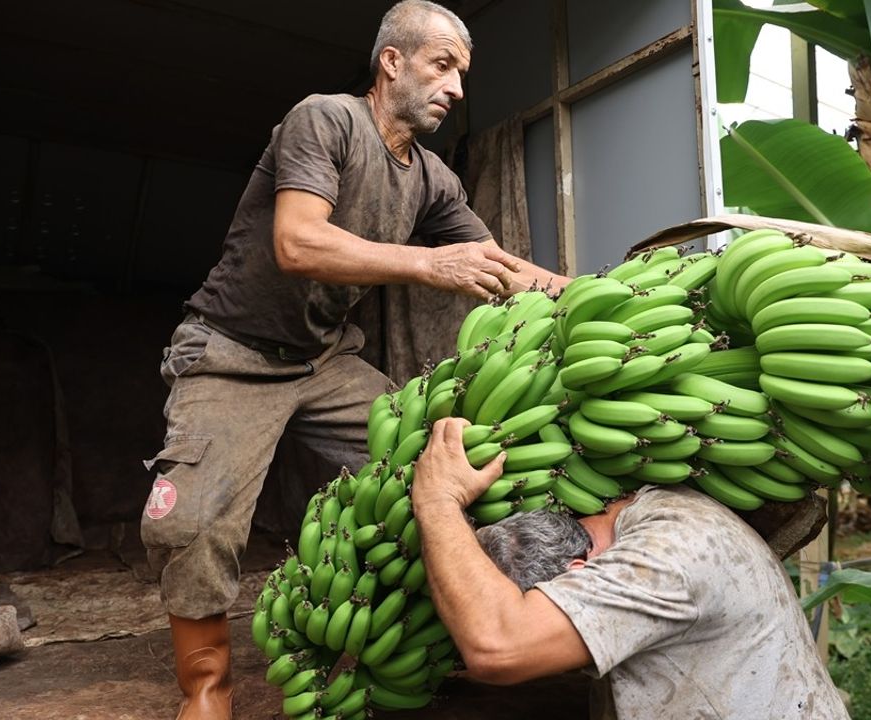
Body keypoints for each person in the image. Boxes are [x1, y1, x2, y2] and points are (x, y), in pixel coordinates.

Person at [138, 3, 569, 717]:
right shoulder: (326, 120)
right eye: (443, 65)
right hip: (232, 351)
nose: (457, 87)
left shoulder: (432, 179)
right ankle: (206, 690)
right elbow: (297, 243)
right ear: (391, 62)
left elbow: (495, 264)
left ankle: (408, 634)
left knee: (427, 467)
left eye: (463, 72)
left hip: (326, 360)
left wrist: (586, 291)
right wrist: (432, 266)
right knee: (192, 522)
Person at [413, 417, 850, 720]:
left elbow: (498, 647)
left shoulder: (666, 559)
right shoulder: (649, 513)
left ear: (577, 570)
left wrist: (437, 501)